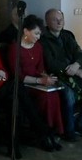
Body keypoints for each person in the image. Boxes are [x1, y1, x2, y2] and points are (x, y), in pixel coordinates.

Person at [40, 8, 82, 139]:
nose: (59, 22)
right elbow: (50, 63)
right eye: (55, 20)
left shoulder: (67, 35)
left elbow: (81, 55)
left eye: (61, 19)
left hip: (75, 74)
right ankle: (68, 131)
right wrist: (72, 69)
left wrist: (77, 66)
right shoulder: (43, 39)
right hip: (56, 77)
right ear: (47, 22)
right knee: (68, 96)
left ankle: (81, 124)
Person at [7, 15, 65, 152]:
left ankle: (52, 132)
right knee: (45, 98)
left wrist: (46, 78)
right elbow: (17, 75)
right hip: (24, 84)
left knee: (53, 95)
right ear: (26, 31)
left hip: (37, 82)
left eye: (40, 34)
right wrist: (39, 81)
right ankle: (44, 135)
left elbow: (40, 69)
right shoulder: (14, 48)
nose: (38, 37)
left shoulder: (38, 46)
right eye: (36, 33)